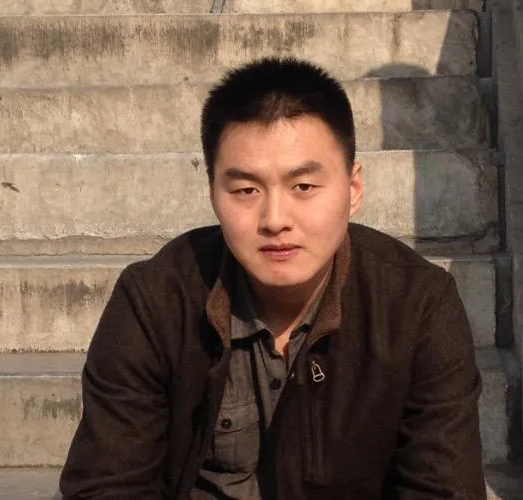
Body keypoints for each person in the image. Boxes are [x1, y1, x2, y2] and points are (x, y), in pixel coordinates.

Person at [59, 57, 486, 499]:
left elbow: (445, 489)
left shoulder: (417, 305)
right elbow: (107, 484)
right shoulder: (156, 299)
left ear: (353, 189)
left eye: (303, 187)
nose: (275, 219)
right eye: (246, 190)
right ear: (213, 193)